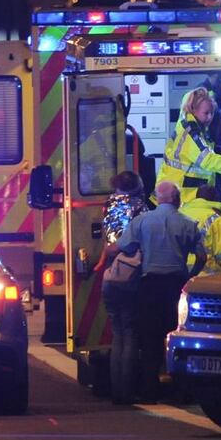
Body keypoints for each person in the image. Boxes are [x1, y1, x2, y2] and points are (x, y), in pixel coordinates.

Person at [116, 182, 206, 402]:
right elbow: (202, 257)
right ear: (177, 199)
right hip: (176, 286)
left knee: (150, 339)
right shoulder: (189, 224)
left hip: (149, 286)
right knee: (177, 338)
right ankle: (180, 391)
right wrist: (190, 276)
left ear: (156, 199)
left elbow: (125, 247)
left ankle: (149, 391)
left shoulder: (141, 221)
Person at [93, 171, 147, 405]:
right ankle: (127, 389)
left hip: (111, 276)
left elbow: (109, 242)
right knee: (131, 333)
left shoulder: (108, 205)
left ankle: (116, 388)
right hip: (131, 273)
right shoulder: (140, 208)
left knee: (117, 335)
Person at [158, 87, 221, 204]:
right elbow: (206, 157)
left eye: (212, 113)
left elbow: (208, 150)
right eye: (206, 113)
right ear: (193, 110)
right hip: (180, 195)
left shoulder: (195, 127)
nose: (210, 117)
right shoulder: (191, 132)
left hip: (181, 193)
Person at [179, 185, 221, 273]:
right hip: (202, 277)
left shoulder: (179, 213)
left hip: (174, 275)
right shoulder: (216, 220)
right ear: (216, 199)